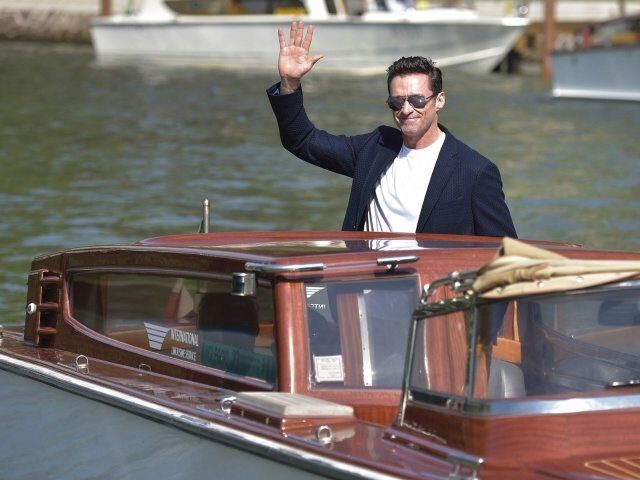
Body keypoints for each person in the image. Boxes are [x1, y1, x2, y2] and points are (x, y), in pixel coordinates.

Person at [267, 21, 517, 237]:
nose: (406, 109)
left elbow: (505, 251)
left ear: (439, 100)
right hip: (364, 287)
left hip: (431, 290)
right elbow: (302, 140)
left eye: (417, 100)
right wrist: (290, 83)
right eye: (396, 102)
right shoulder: (375, 148)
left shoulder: (475, 171)